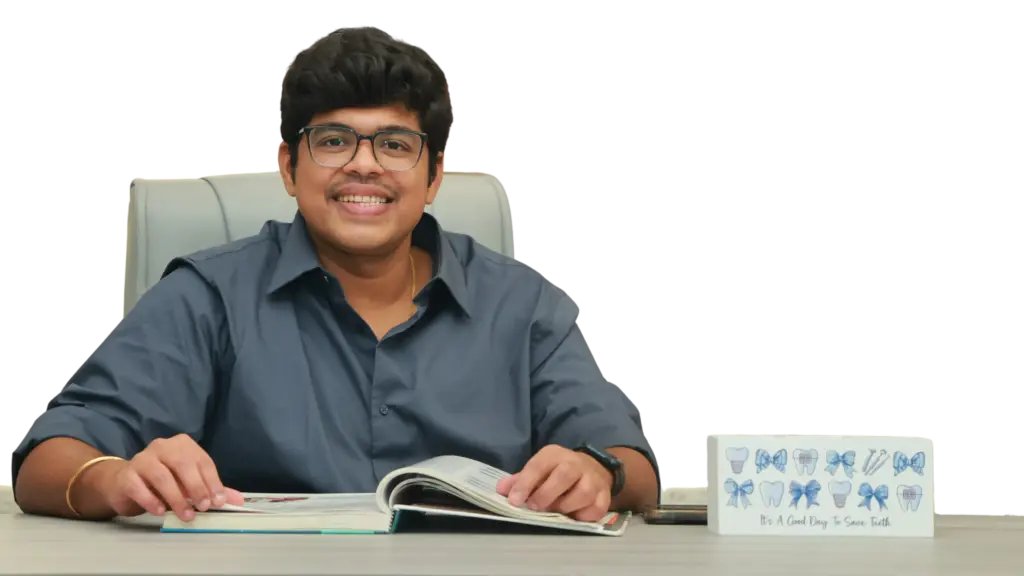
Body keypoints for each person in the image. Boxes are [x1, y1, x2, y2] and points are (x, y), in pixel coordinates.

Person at [11, 25, 660, 525]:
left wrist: (595, 473)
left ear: (435, 174)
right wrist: (115, 479)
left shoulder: (524, 304)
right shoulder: (208, 297)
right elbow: (47, 459)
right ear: (288, 166)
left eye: (395, 144)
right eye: (333, 141)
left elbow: (632, 462)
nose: (364, 165)